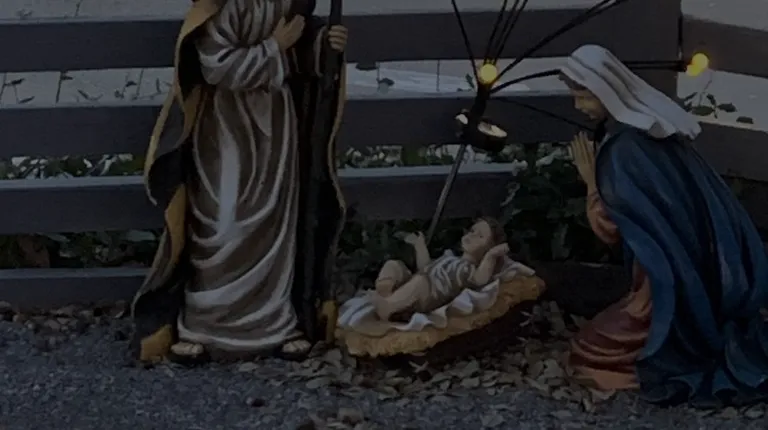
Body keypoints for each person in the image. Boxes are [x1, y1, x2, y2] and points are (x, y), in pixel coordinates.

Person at [129, 0, 349, 363]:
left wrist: (324, 45)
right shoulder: (222, 7)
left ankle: (276, 322)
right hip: (225, 126)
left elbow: (301, 55)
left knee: (273, 220)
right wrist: (273, 48)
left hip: (274, 123)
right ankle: (202, 323)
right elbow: (215, 66)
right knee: (223, 218)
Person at [560, 44, 768, 406]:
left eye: (584, 96)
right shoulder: (649, 128)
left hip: (664, 284)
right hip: (690, 267)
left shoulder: (622, 150)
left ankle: (669, 352)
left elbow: (611, 229)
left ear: (607, 91)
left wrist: (591, 182)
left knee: (591, 349)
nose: (578, 106)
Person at [369, 217, 510, 321]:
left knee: (420, 282)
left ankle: (388, 307)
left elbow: (480, 279)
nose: (471, 235)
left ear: (488, 249)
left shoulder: (467, 269)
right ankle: (386, 291)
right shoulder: (449, 257)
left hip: (431, 295)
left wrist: (491, 256)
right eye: (472, 230)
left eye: (480, 236)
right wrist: (419, 245)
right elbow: (425, 267)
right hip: (416, 282)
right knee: (394, 265)